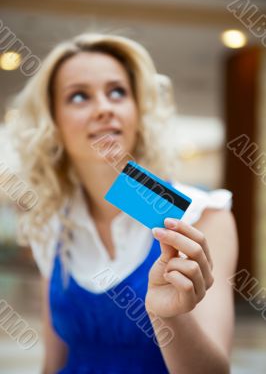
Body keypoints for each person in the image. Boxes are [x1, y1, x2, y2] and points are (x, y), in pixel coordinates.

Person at [6, 32, 238, 374]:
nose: (104, 108)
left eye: (117, 92)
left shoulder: (204, 215)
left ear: (136, 111)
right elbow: (53, 363)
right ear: (52, 123)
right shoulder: (52, 224)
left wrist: (166, 316)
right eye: (79, 96)